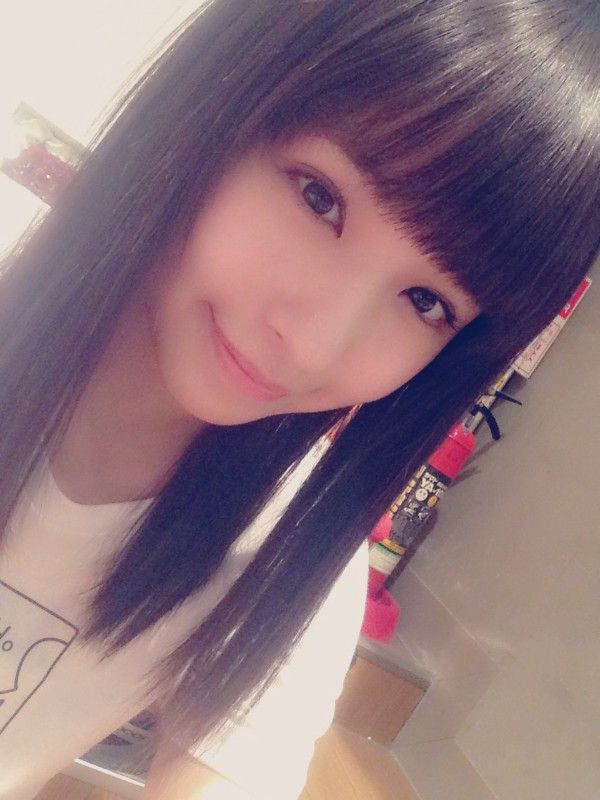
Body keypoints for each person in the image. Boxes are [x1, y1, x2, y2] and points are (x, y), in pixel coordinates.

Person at [0, 1, 598, 798]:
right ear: (225, 99)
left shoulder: (281, 561)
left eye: (427, 303)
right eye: (320, 198)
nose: (314, 346)